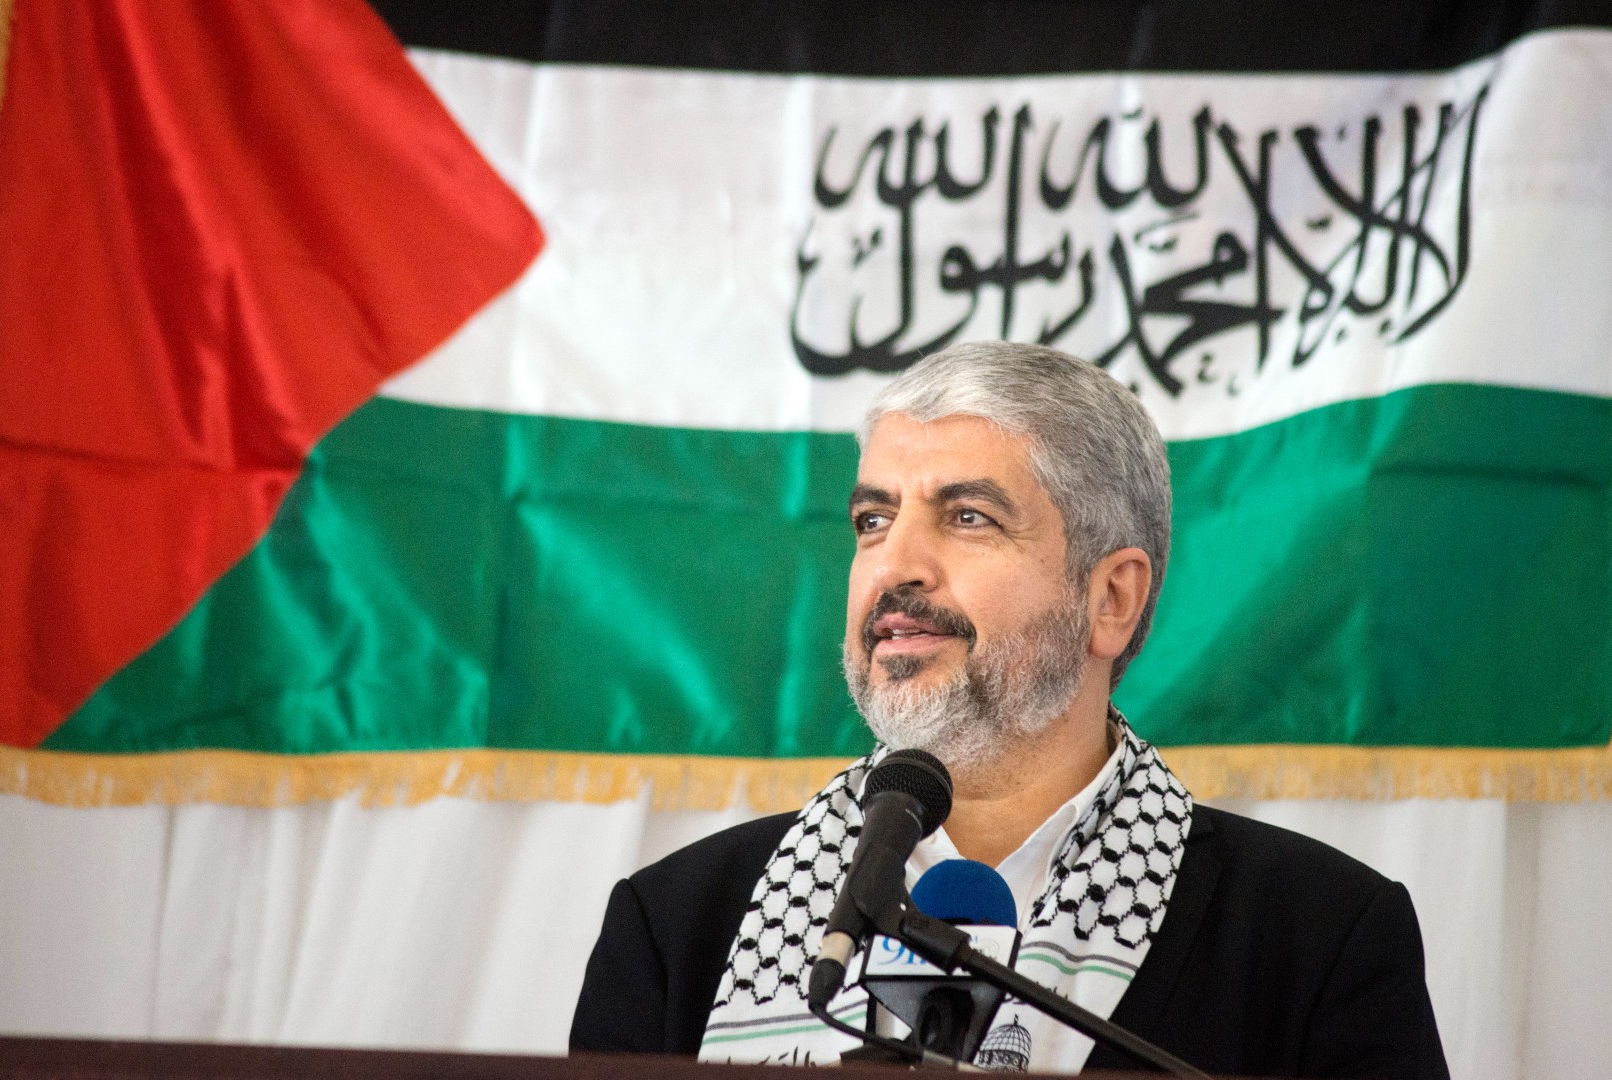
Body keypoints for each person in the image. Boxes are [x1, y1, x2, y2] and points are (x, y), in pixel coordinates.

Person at [570, 342, 1448, 1078]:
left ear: (1113, 599)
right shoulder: (676, 927)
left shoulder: (1319, 939)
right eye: (873, 521)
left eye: (968, 517)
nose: (895, 566)